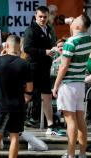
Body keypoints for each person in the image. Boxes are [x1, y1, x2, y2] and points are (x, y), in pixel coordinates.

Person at [0, 35, 32, 158]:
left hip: (1, 106)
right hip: (17, 106)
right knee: (14, 136)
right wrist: (25, 95)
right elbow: (30, 88)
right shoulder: (25, 64)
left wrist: (0, 56)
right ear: (19, 47)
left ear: (6, 46)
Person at [52, 14, 91, 158]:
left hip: (68, 84)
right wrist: (71, 24)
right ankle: (82, 154)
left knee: (70, 121)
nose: (72, 18)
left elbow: (63, 66)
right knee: (80, 119)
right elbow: (76, 34)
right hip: (80, 84)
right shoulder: (88, 39)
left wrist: (55, 86)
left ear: (77, 26)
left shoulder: (70, 42)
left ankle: (70, 154)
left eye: (75, 19)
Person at [23, 6, 59, 135]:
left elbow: (51, 44)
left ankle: (51, 125)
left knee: (47, 95)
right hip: (33, 68)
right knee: (28, 95)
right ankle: (13, 120)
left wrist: (56, 48)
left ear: (48, 16)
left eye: (45, 16)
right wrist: (45, 52)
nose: (43, 19)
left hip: (45, 68)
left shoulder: (49, 29)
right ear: (35, 16)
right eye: (40, 17)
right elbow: (26, 48)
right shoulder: (30, 30)